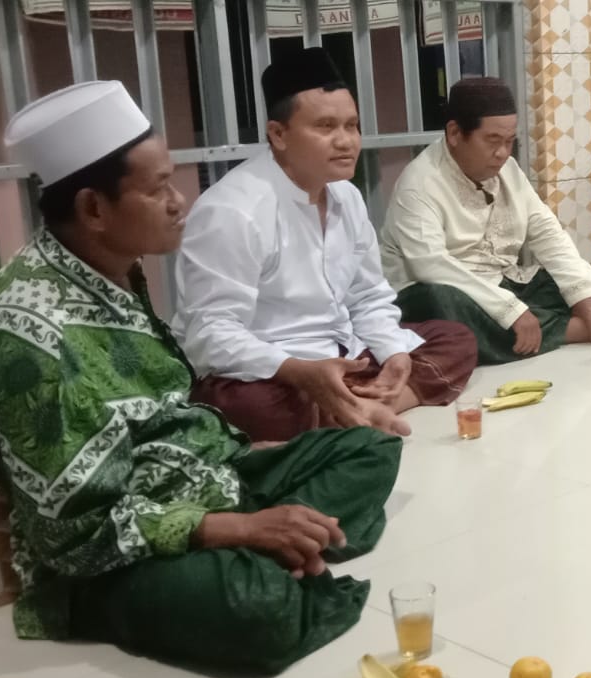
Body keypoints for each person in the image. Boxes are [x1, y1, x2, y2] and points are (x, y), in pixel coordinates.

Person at [0, 81, 399, 676]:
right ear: (93, 209)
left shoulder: (112, 269)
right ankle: (267, 556)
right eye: (158, 188)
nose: (179, 202)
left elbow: (166, 408)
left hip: (204, 477)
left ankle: (278, 545)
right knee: (258, 609)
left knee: (370, 448)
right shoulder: (29, 333)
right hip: (108, 560)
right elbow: (74, 533)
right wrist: (237, 527)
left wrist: (244, 467)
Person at [171, 48, 478, 442]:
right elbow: (210, 334)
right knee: (244, 406)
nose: (346, 141)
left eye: (352, 126)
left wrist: (393, 354)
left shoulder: (346, 197)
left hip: (343, 354)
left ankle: (355, 408)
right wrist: (299, 371)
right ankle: (360, 407)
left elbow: (367, 296)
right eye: (326, 127)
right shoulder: (233, 210)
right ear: (278, 135)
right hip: (277, 370)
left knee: (455, 338)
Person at [379, 78, 591, 365]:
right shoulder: (419, 183)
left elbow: (545, 231)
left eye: (509, 141)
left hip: (501, 282)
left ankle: (521, 336)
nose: (502, 153)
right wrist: (510, 310)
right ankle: (569, 330)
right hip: (442, 290)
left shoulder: (508, 169)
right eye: (492, 141)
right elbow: (431, 265)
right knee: (444, 304)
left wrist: (584, 296)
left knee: (589, 280)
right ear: (455, 133)